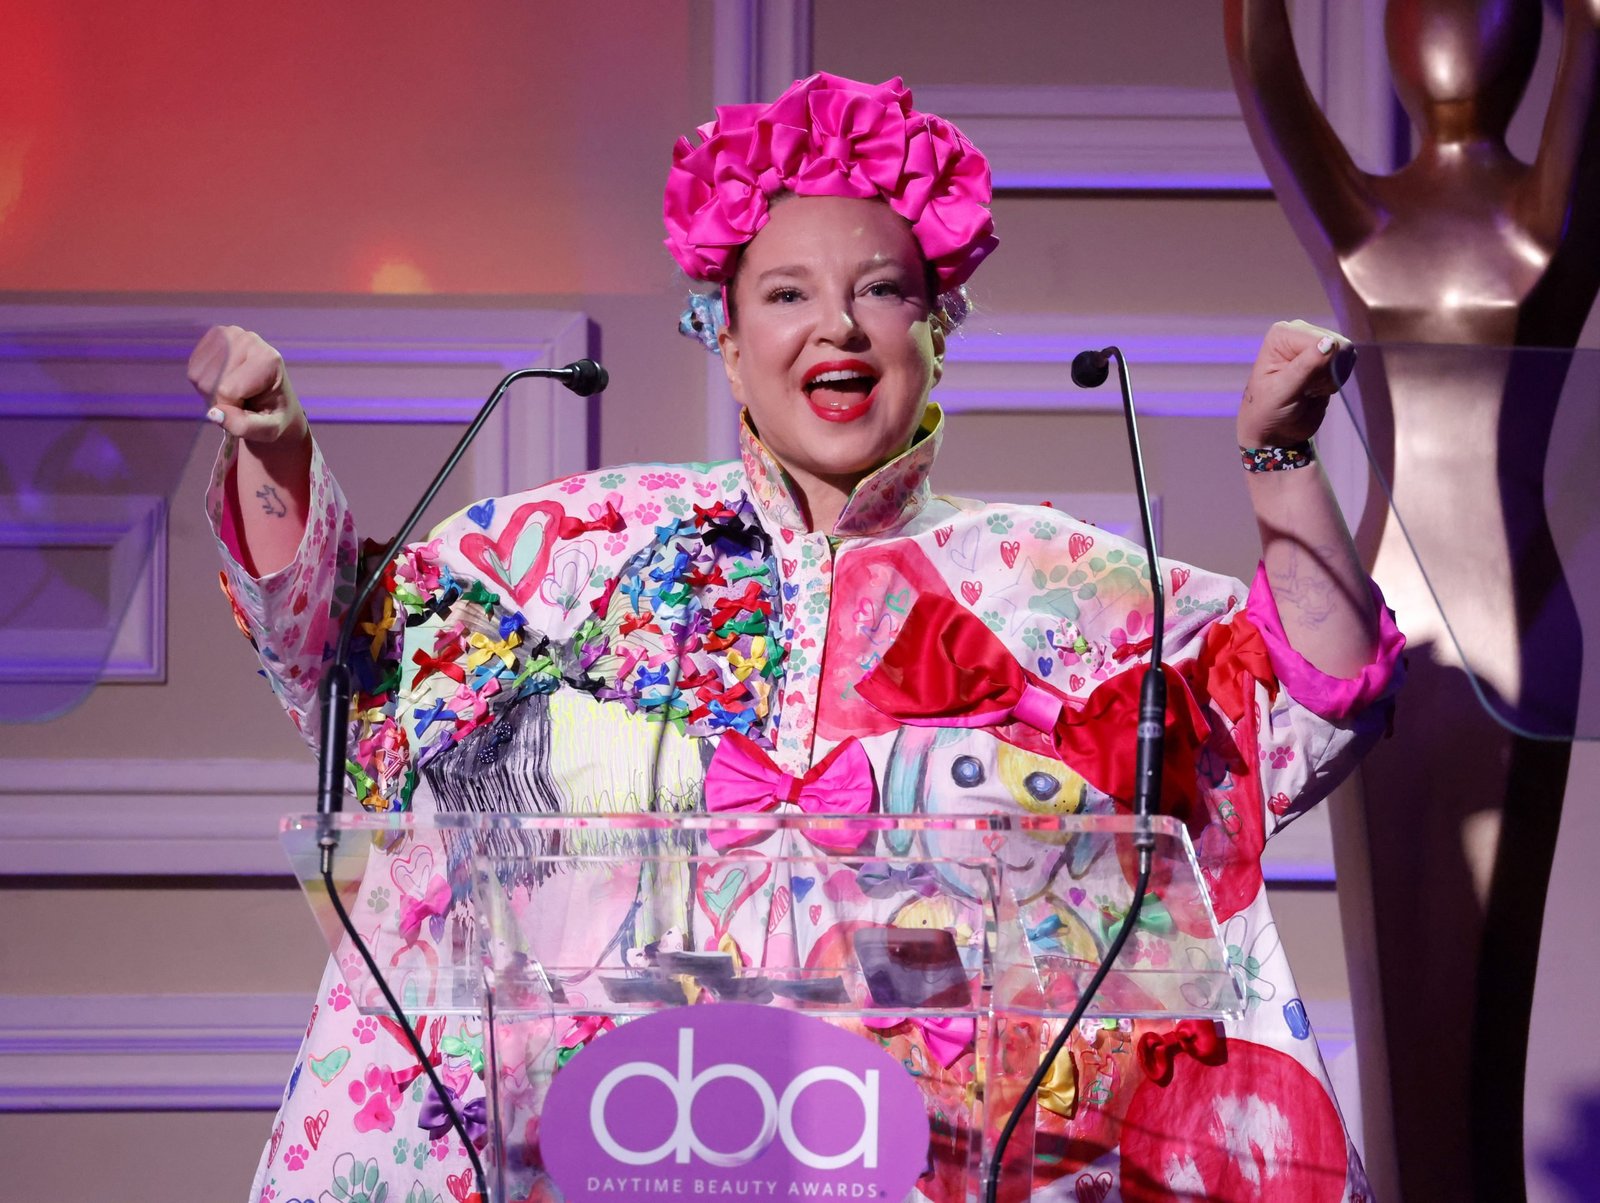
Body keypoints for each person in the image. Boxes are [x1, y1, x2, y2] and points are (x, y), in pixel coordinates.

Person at [196, 73, 1403, 1203]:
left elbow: (1305, 709)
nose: (837, 326)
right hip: (616, 1145)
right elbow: (343, 663)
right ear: (723, 335)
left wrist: (1282, 461)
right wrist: (277, 455)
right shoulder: (567, 552)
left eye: (880, 290)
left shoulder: (1053, 581)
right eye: (786, 294)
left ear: (938, 327)